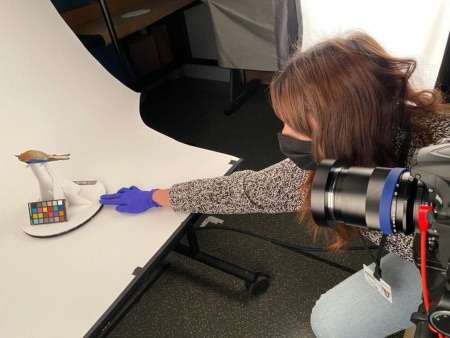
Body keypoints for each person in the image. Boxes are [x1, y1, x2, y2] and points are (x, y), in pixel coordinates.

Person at [100, 32, 450, 337]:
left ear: (345, 125)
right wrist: (159, 196)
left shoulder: (439, 147)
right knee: (331, 324)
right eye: (284, 122)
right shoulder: (336, 155)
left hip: (441, 268)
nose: (284, 136)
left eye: (297, 125)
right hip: (421, 259)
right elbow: (249, 190)